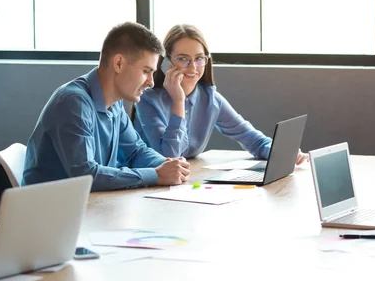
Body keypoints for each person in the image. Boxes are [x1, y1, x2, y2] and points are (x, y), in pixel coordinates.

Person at [22, 22, 190, 191]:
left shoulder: (115, 104)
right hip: (50, 212)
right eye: (146, 71)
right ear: (118, 63)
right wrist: (156, 174)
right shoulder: (73, 103)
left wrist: (168, 165)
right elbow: (86, 176)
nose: (151, 82)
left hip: (87, 208)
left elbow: (136, 152)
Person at [133, 24, 309, 163]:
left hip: (185, 182)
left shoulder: (209, 98)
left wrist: (285, 152)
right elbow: (169, 157)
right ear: (165, 62)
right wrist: (178, 102)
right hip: (147, 188)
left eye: (199, 59)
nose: (193, 67)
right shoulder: (147, 100)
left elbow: (255, 141)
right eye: (183, 58)